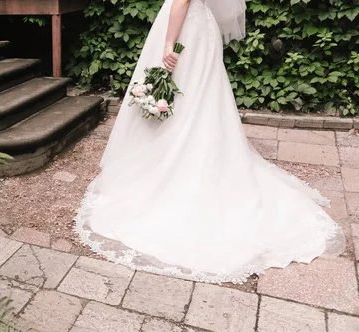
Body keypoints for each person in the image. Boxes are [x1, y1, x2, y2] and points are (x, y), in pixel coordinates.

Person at [74, 0, 344, 284]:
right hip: (202, 28)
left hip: (184, 29)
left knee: (186, 96)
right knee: (201, 99)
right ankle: (204, 156)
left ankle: (174, 162)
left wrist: (168, 44)